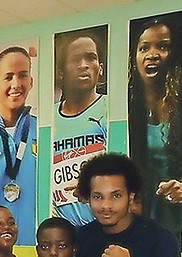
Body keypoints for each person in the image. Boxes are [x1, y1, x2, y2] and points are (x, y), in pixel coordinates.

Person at [129, 16, 182, 245]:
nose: (153, 54)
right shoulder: (127, 110)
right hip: (141, 219)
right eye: (144, 48)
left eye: (163, 46)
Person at [52, 31, 108, 226]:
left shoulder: (111, 110)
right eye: (76, 59)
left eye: (91, 58)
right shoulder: (46, 119)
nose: (84, 65)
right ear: (61, 73)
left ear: (100, 68)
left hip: (103, 227)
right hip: (63, 233)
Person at [0, 47, 37, 245]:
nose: (16, 84)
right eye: (8, 77)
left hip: (35, 246)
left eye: (22, 75)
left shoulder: (43, 132)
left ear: (31, 82)